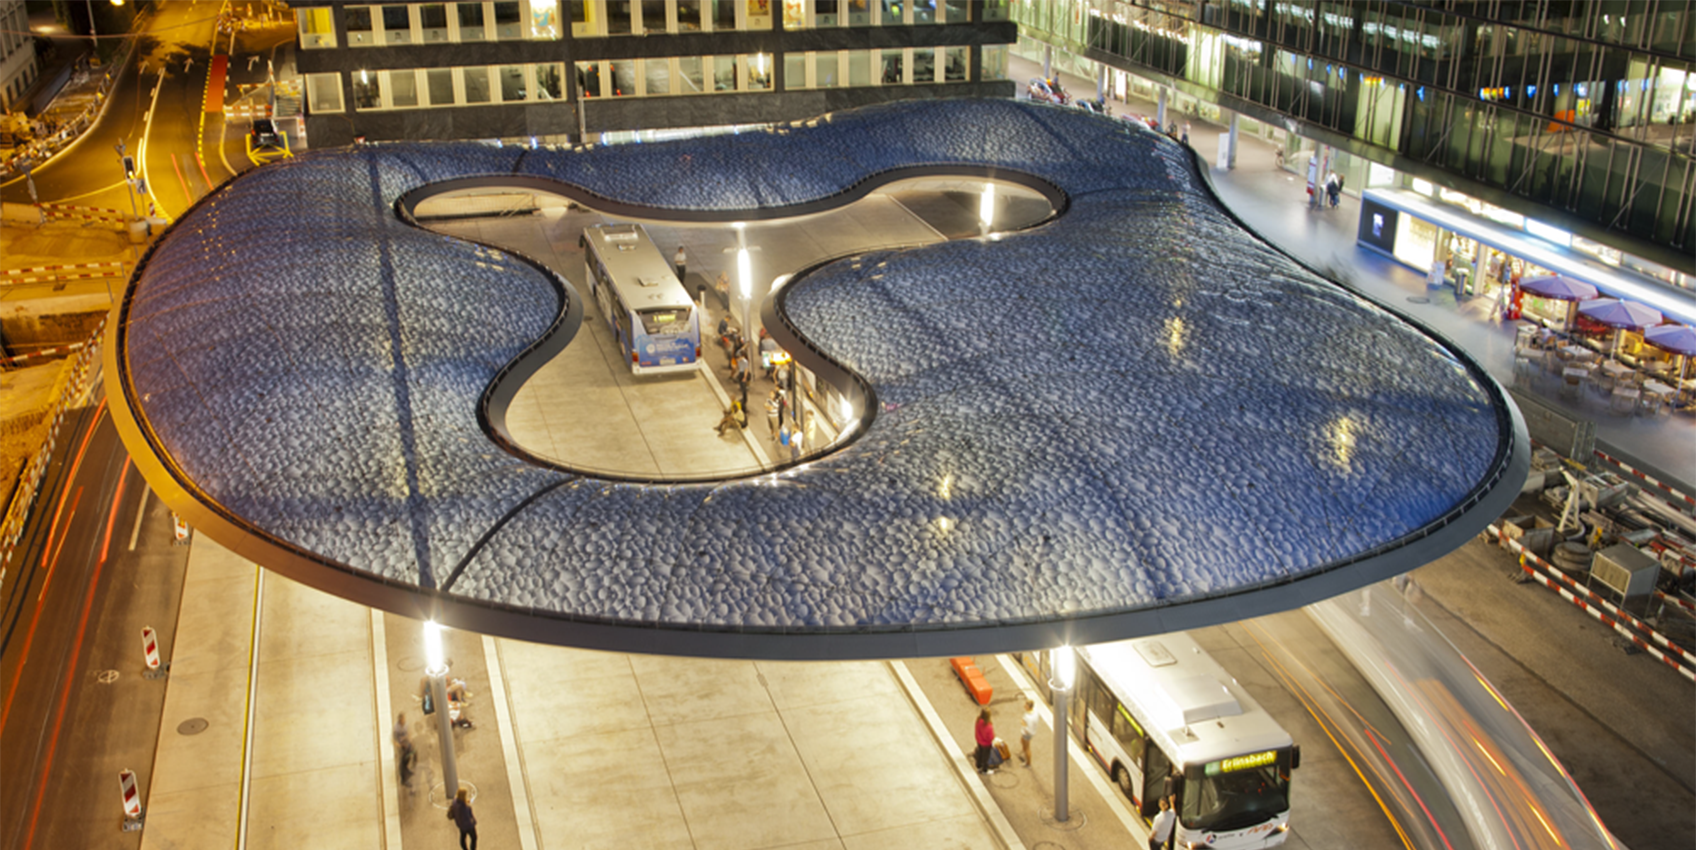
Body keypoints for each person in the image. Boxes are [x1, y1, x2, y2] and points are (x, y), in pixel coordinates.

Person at [973, 708, 996, 773]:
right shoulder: (988, 726)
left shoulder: (978, 720)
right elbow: (990, 737)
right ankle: (984, 770)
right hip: (986, 744)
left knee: (980, 753)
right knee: (985, 757)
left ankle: (978, 765)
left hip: (979, 740)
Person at [1019, 700, 1037, 767]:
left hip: (1027, 733)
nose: (1024, 706)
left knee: (1027, 748)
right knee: (1022, 741)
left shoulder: (1028, 717)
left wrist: (1022, 722)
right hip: (1030, 732)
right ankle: (1024, 752)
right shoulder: (1034, 712)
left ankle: (1028, 763)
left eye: (1026, 705)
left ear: (1028, 706)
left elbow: (1027, 726)